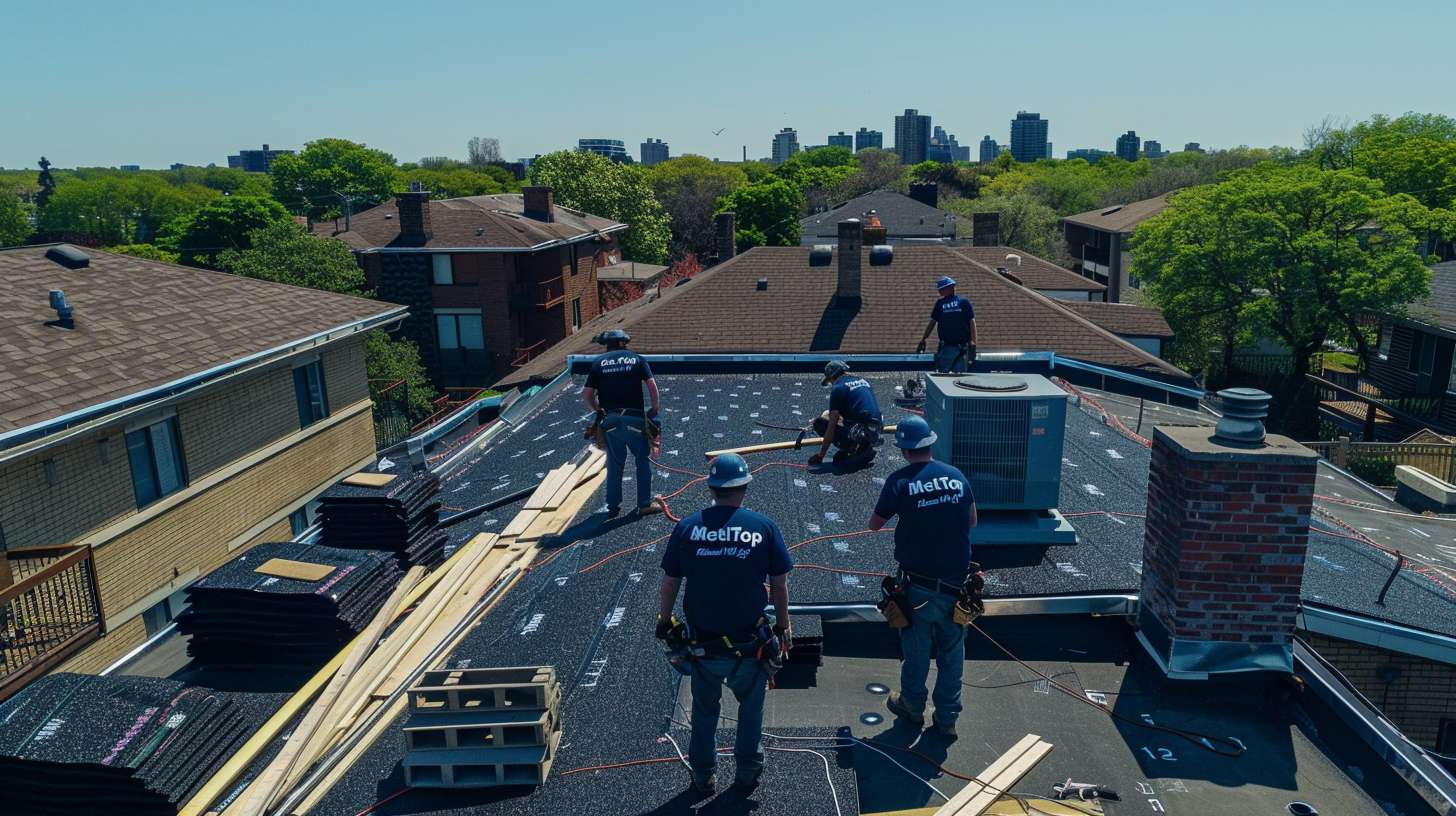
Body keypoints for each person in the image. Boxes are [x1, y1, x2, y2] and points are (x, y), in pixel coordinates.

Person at [657, 453, 792, 794]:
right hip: (750, 642)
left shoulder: (687, 528)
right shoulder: (763, 527)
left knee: (705, 713)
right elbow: (779, 584)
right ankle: (747, 772)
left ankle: (703, 775)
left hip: (705, 644)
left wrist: (664, 620)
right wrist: (782, 627)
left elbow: (671, 580)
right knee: (750, 710)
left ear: (712, 488)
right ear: (744, 486)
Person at [866, 415, 977, 738]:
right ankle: (947, 717)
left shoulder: (900, 482)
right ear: (930, 442)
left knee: (916, 651)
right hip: (957, 586)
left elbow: (875, 524)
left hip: (919, 586)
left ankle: (913, 706)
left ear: (903, 449)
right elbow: (971, 520)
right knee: (952, 653)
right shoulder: (956, 476)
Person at [582, 329, 662, 518]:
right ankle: (644, 503)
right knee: (642, 459)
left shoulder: (598, 363)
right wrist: (654, 410)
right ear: (624, 343)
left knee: (615, 463)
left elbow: (586, 394)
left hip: (610, 421)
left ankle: (612, 507)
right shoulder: (637, 359)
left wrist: (597, 410)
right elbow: (652, 386)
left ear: (607, 345)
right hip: (633, 419)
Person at [810, 360, 883, 466]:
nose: (831, 383)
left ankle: (854, 447)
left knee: (819, 423)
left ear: (832, 376)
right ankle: (864, 443)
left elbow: (831, 426)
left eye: (830, 381)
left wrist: (820, 456)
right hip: (877, 428)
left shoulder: (838, 388)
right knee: (832, 415)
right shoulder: (862, 380)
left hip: (860, 430)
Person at [916, 276, 977, 373]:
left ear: (950, 287)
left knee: (959, 377)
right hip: (945, 347)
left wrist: (973, 343)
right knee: (943, 376)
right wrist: (923, 339)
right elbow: (932, 322)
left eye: (942, 289)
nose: (939, 291)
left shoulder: (963, 302)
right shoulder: (940, 303)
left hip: (961, 348)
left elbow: (971, 322)